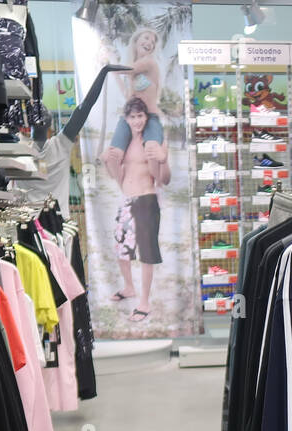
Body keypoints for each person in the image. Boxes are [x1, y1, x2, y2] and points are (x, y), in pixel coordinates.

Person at [104, 98, 170, 321]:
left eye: (140, 116)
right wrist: (109, 162)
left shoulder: (153, 141)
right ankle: (129, 287)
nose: (137, 121)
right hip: (127, 199)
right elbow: (118, 178)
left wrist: (161, 160)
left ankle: (144, 302)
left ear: (146, 117)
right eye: (132, 117)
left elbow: (163, 179)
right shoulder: (124, 144)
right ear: (126, 119)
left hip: (146, 199)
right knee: (122, 250)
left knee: (146, 254)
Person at [108, 28, 164, 152]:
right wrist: (114, 70)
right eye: (146, 38)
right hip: (131, 116)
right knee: (112, 154)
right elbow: (128, 95)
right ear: (136, 40)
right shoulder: (134, 70)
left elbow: (125, 69)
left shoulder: (149, 63)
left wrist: (111, 59)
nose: (150, 43)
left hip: (150, 116)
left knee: (152, 150)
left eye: (153, 42)